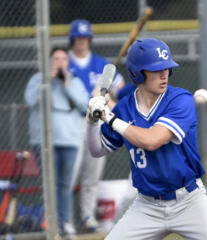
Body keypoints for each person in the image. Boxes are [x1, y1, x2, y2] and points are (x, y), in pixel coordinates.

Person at [86, 38, 207, 240]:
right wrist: (92, 122)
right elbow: (97, 150)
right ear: (137, 73)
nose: (164, 74)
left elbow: (151, 140)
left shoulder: (181, 99)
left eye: (167, 68)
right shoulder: (126, 107)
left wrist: (108, 118)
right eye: (156, 70)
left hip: (189, 201)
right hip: (146, 205)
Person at [67, 19, 125, 233]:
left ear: (89, 39)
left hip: (97, 125)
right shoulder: (66, 63)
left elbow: (119, 89)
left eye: (85, 37)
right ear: (72, 39)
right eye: (78, 38)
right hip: (72, 125)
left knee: (92, 175)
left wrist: (107, 97)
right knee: (70, 176)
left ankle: (87, 216)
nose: (82, 41)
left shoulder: (101, 64)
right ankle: (64, 219)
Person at [24, 47, 89, 236]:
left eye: (63, 59)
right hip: (44, 141)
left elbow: (85, 105)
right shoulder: (38, 80)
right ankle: (51, 223)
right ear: (49, 61)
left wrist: (67, 85)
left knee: (65, 184)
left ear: (68, 63)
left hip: (69, 140)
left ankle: (65, 222)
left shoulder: (74, 81)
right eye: (56, 59)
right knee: (49, 183)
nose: (60, 62)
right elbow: (30, 100)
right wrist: (47, 82)